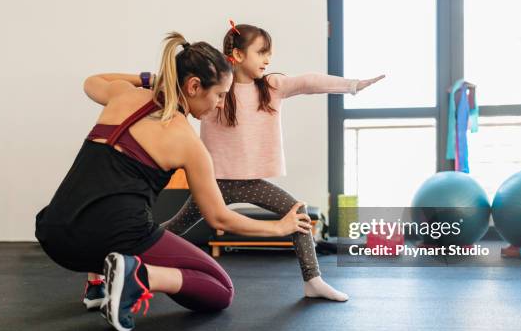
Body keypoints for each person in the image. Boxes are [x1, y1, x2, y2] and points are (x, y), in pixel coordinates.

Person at [35, 32, 311, 331]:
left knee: (101, 202)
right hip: (116, 237)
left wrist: (150, 79)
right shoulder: (188, 143)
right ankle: (139, 277)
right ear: (193, 86)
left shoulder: (123, 96)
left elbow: (92, 80)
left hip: (55, 235)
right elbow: (219, 216)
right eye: (219, 95)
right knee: (221, 290)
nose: (220, 104)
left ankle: (102, 283)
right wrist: (278, 227)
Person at [164, 22, 386, 302]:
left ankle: (313, 280)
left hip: (250, 183)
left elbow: (308, 82)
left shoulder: (271, 87)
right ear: (239, 55)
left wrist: (352, 85)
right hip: (213, 183)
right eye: (261, 52)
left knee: (298, 213)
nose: (268, 59)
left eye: (269, 53)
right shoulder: (216, 89)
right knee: (173, 228)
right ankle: (124, 253)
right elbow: (176, 88)